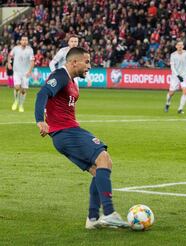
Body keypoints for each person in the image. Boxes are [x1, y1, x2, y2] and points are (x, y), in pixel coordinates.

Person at [34, 47, 129, 229]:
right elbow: (42, 94)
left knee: (101, 167)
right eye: (87, 62)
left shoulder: (70, 80)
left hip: (67, 132)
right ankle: (109, 213)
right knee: (103, 158)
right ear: (74, 62)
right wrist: (40, 121)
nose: (89, 66)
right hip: (66, 132)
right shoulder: (60, 76)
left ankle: (93, 219)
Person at [8, 35, 34, 112]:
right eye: (23, 40)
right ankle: (16, 100)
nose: (24, 41)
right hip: (16, 71)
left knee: (23, 90)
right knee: (16, 87)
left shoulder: (30, 50)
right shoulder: (15, 48)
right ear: (20, 41)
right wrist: (9, 63)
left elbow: (32, 61)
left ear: (27, 41)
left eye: (26, 40)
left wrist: (29, 71)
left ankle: (21, 104)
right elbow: (10, 55)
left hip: (25, 73)